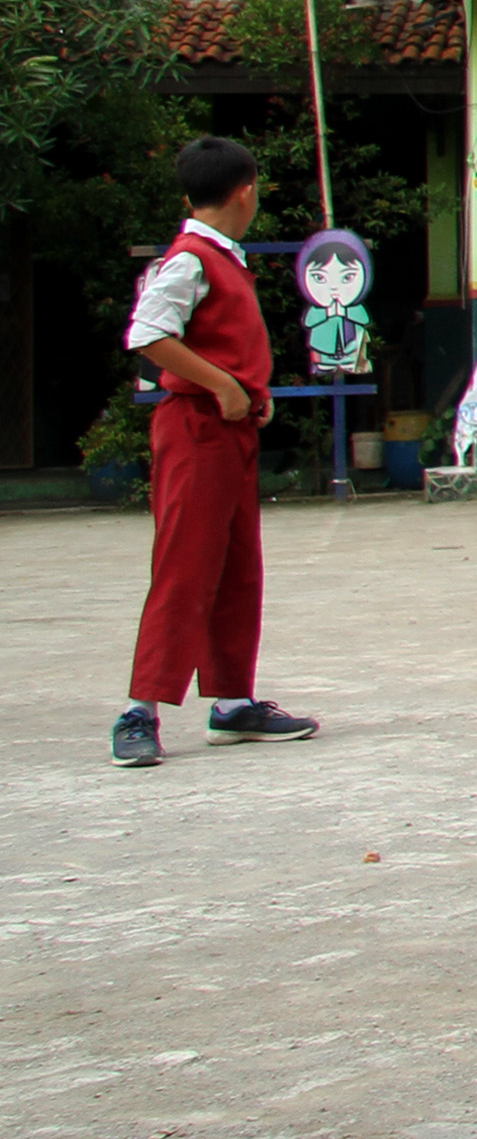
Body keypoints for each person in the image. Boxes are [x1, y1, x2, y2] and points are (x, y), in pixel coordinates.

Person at [112, 137, 317, 767]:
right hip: (195, 431)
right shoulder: (191, 259)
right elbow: (147, 334)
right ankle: (139, 710)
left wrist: (251, 392)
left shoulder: (224, 257)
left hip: (229, 433)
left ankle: (231, 701)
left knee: (236, 566)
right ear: (246, 191)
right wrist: (224, 385)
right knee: (185, 567)